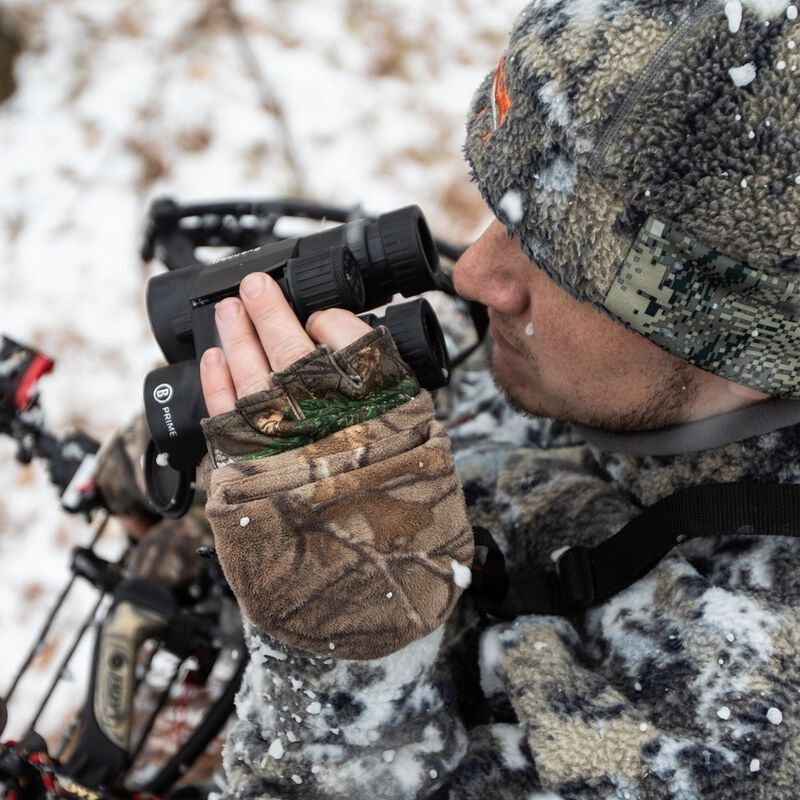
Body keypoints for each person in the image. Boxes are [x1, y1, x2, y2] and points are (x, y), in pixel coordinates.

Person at [195, 0, 800, 797]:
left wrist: (346, 646)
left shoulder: (749, 714)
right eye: (506, 213)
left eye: (564, 259)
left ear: (741, 341)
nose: (477, 274)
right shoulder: (586, 360)